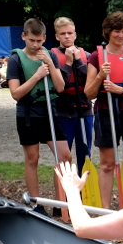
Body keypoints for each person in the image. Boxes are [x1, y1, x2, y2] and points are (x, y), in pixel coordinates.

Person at [7, 18, 74, 211]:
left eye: (39, 40)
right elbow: (15, 93)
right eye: (31, 40)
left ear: (45, 38)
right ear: (24, 37)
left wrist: (51, 66)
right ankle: (35, 203)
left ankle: (61, 204)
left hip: (49, 112)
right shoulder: (15, 60)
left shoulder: (50, 56)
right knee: (33, 158)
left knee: (65, 156)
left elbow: (60, 87)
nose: (36, 45)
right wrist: (36, 76)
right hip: (28, 113)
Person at [85, 11, 123, 208]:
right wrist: (100, 77)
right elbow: (89, 93)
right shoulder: (97, 57)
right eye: (116, 32)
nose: (120, 36)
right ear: (107, 32)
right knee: (107, 164)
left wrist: (119, 90)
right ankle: (105, 211)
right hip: (105, 112)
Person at [51, 17, 94, 175]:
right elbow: (58, 85)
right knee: (64, 155)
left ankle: (84, 192)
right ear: (57, 37)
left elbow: (89, 79)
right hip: (63, 111)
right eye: (63, 34)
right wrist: (68, 62)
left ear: (75, 35)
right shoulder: (52, 56)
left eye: (70, 33)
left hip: (84, 109)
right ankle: (66, 193)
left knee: (85, 153)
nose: (67, 36)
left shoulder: (86, 55)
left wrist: (78, 60)